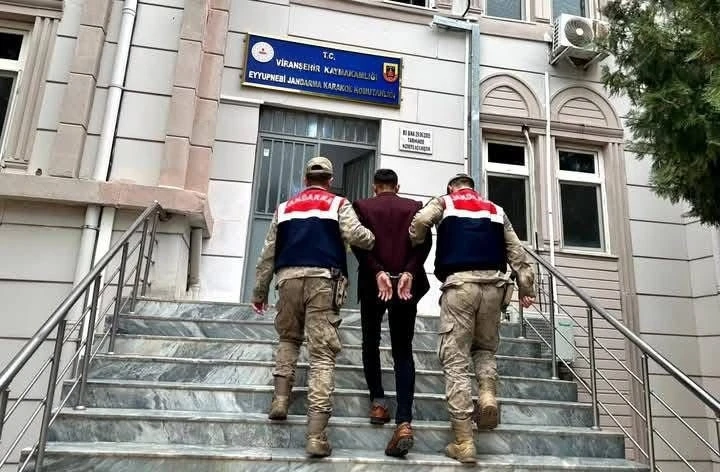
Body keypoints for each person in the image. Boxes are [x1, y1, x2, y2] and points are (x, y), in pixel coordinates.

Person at [251, 156, 375, 458]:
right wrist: (373, 238)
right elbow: (357, 236)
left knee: (288, 339)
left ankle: (281, 401)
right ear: (330, 180)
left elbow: (268, 253)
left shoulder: (284, 208)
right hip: (324, 280)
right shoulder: (338, 204)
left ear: (305, 179)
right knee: (321, 355)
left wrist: (259, 291)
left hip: (287, 280)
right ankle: (316, 436)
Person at [408, 173, 536, 464]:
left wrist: (416, 239)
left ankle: (464, 441)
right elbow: (516, 251)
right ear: (473, 188)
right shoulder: (495, 209)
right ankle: (488, 395)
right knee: (484, 349)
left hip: (460, 286)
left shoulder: (445, 202)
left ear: (451, 187)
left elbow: (420, 221)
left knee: (455, 360)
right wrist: (526, 288)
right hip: (494, 287)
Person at [350, 169, 432, 457]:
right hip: (406, 287)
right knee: (403, 350)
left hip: (374, 285)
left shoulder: (362, 207)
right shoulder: (414, 207)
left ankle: (378, 403)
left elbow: (358, 244)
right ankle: (404, 421)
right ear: (397, 186)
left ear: (375, 187)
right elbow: (424, 243)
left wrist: (377, 271)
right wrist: (409, 271)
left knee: (370, 343)